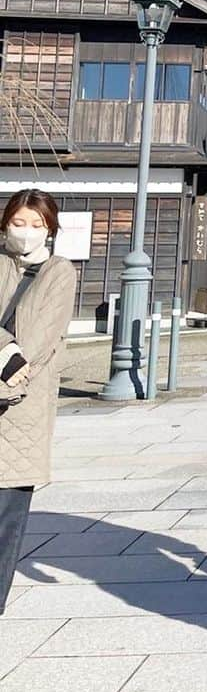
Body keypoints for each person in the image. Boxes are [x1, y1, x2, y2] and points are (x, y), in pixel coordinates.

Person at [0, 189, 77, 613]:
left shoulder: (57, 272)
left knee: (5, 518)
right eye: (19, 223)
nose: (27, 233)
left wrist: (10, 356)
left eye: (37, 225)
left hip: (18, 412)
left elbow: (35, 346)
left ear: (50, 230)